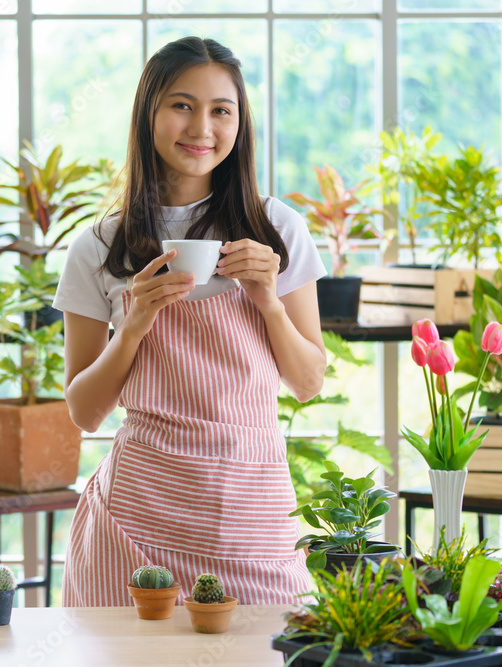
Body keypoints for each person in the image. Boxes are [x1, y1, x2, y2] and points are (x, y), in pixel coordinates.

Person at [52, 36, 328, 606]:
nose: (201, 127)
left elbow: (307, 382)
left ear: (239, 121)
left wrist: (268, 301)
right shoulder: (100, 247)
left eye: (220, 110)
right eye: (181, 105)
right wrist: (133, 324)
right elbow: (83, 411)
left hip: (252, 516)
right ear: (148, 112)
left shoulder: (278, 231)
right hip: (136, 523)